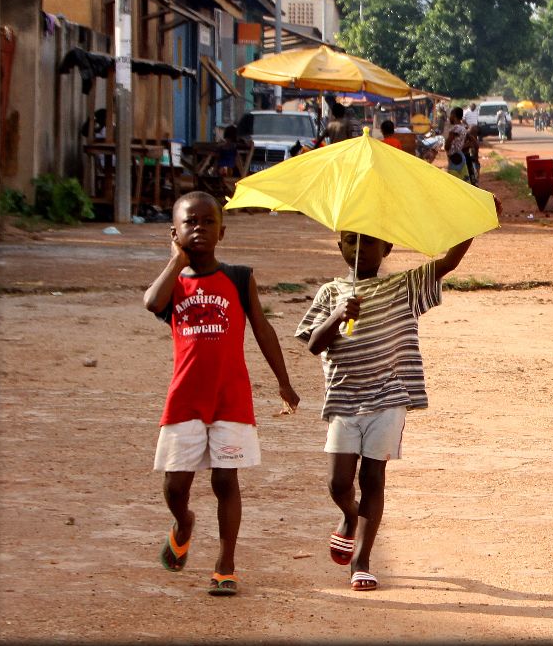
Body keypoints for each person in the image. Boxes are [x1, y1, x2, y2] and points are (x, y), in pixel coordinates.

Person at [294, 213, 498, 592]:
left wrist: (475, 220)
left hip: (389, 398)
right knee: (338, 484)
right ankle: (348, 518)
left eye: (369, 241)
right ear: (339, 246)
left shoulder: (403, 287)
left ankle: (362, 561)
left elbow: (448, 262)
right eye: (351, 240)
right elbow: (313, 344)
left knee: (372, 479)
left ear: (387, 248)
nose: (359, 248)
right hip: (343, 401)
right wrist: (338, 315)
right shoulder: (330, 293)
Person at [142, 191, 300, 597]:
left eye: (208, 222)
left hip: (230, 398)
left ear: (222, 231)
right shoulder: (174, 284)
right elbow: (150, 303)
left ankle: (225, 563)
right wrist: (176, 260)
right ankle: (184, 523)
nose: (199, 229)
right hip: (185, 398)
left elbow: (262, 329)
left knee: (225, 481)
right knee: (175, 486)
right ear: (173, 232)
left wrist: (283, 380)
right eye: (189, 223)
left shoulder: (238, 277)